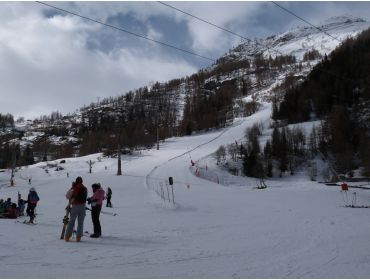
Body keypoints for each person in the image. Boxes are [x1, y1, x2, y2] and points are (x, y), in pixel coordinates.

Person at [64, 176, 87, 242]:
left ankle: (67, 237)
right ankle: (78, 238)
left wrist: (72, 187)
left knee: (71, 222)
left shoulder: (74, 188)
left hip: (75, 206)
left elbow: (67, 196)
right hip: (82, 207)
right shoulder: (85, 188)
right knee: (80, 223)